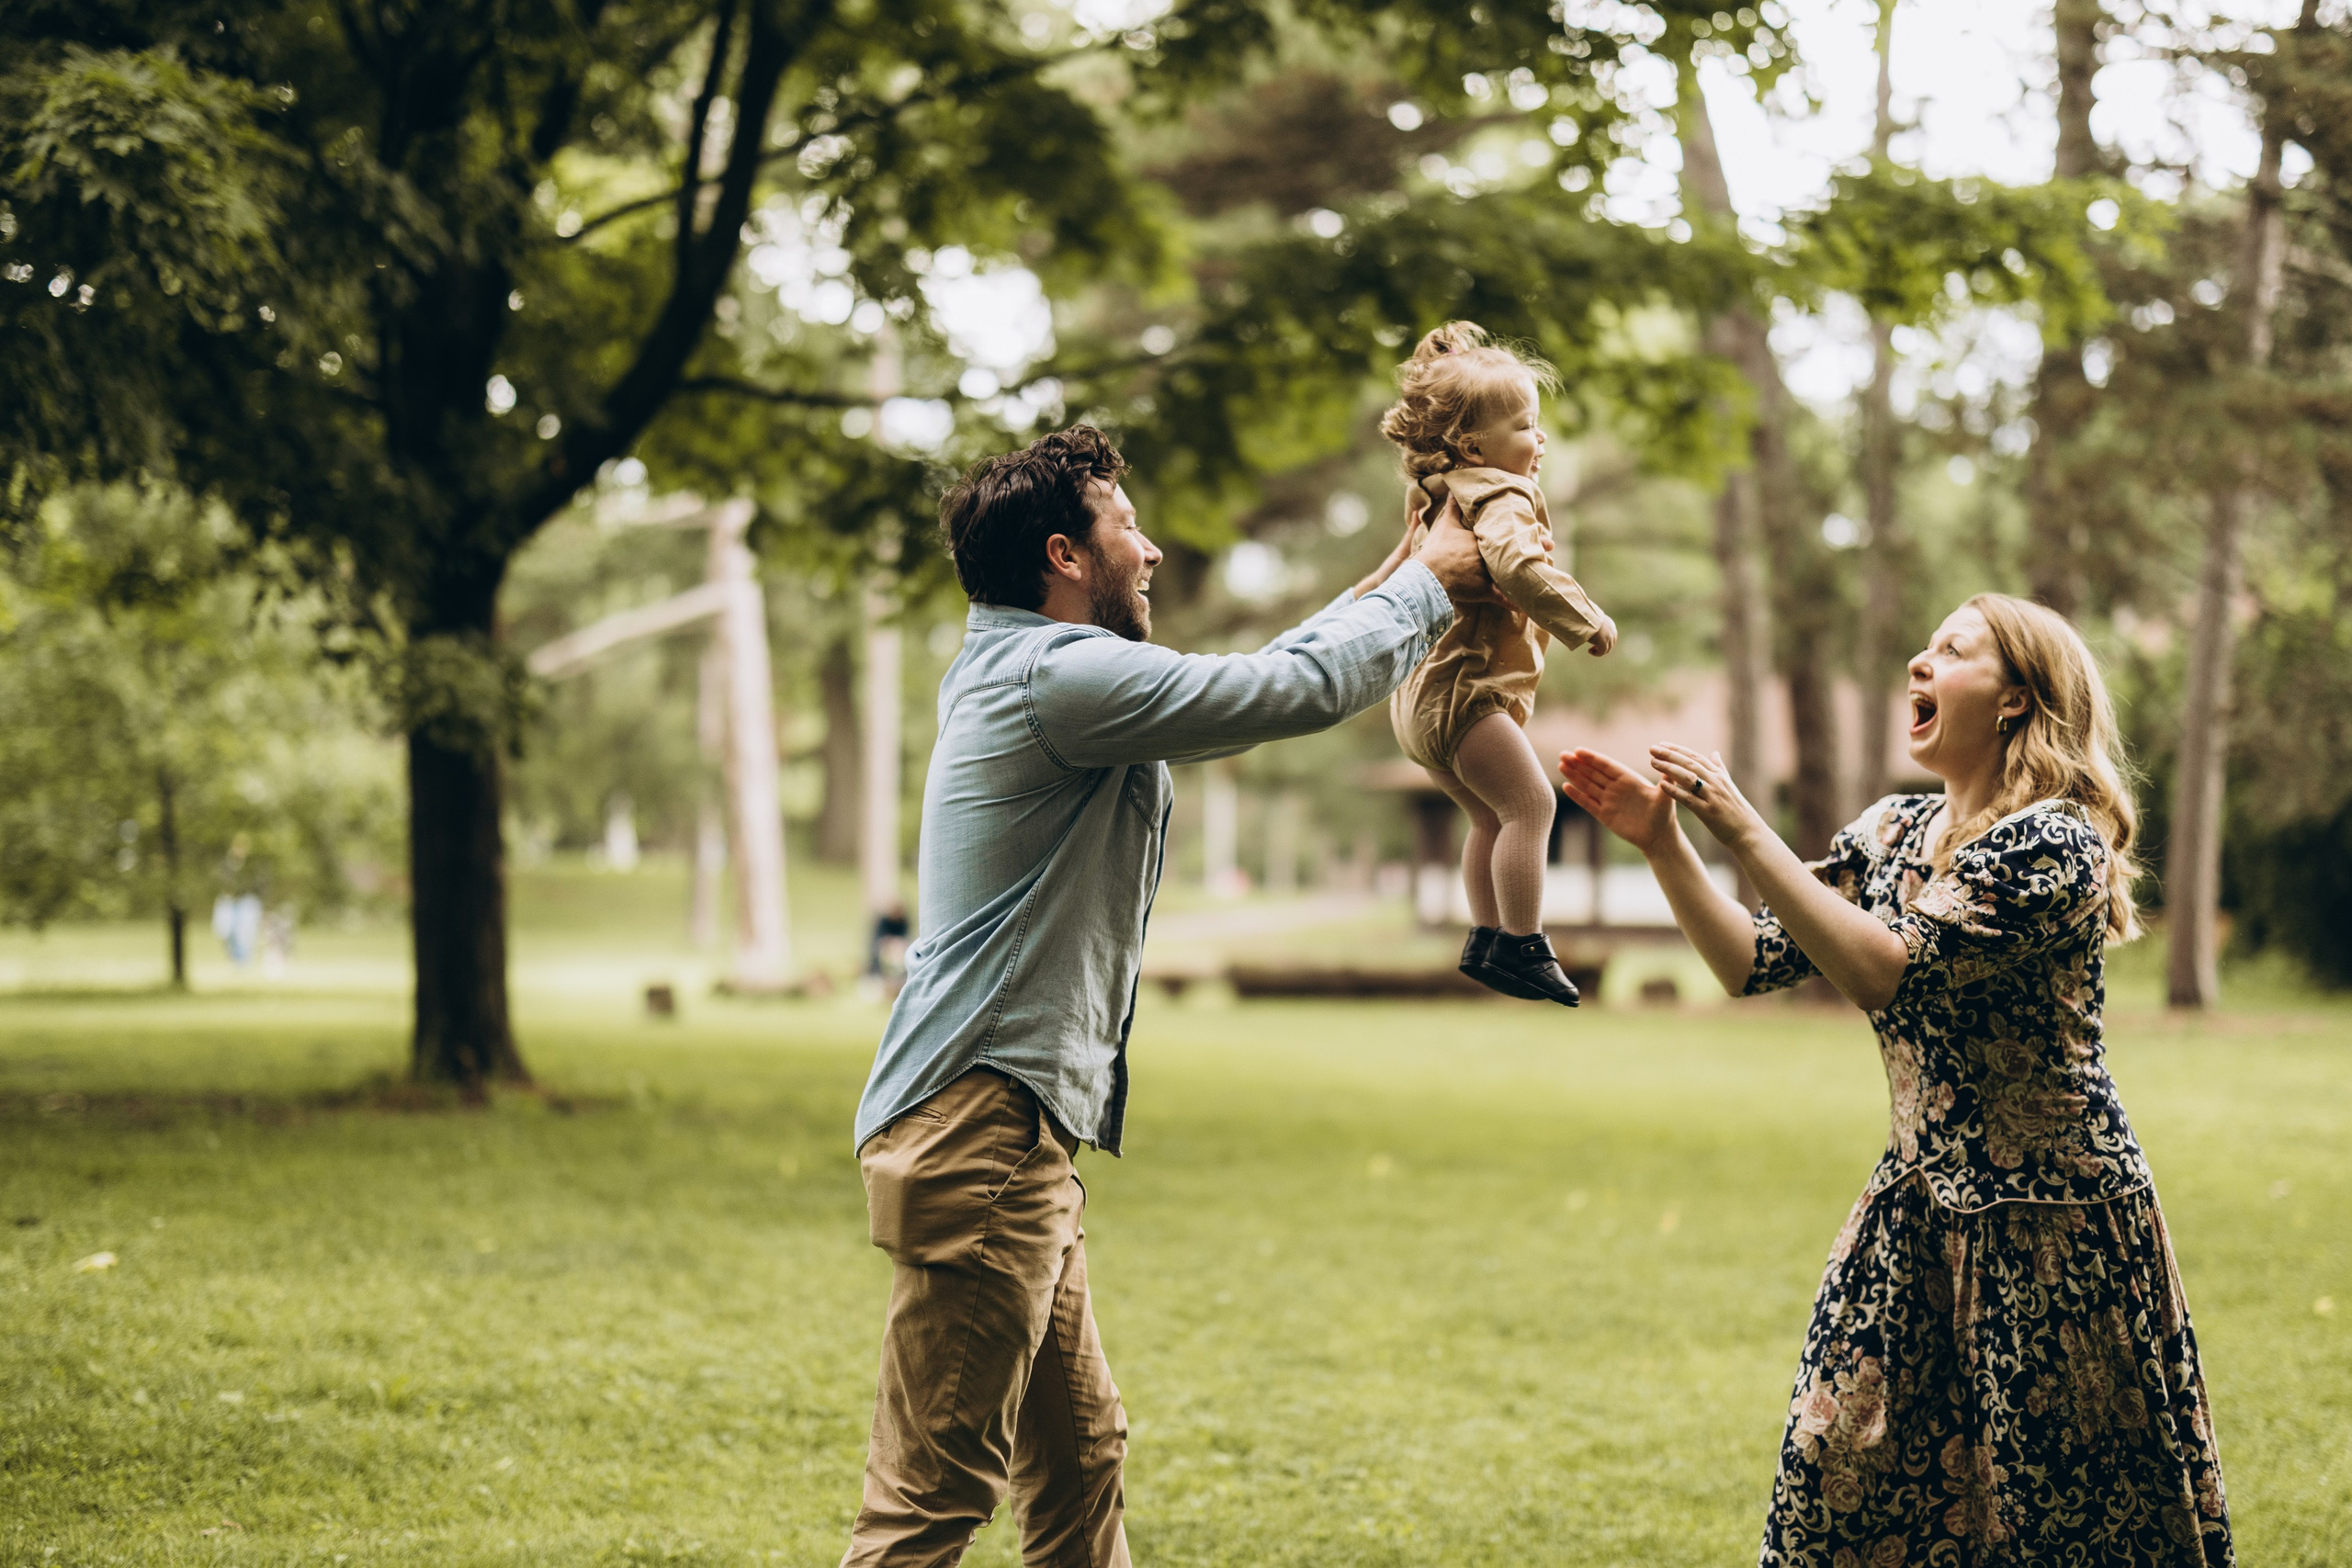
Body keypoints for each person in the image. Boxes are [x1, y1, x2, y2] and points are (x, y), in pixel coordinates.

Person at [838, 423, 1493, 1567]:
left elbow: (1286, 660)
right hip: (981, 1139)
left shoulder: (1025, 666)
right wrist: (1433, 587)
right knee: (928, 1503)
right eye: (1125, 529)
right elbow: (1279, 689)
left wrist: (1413, 560)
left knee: (1081, 1456)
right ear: (1065, 557)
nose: (1148, 552)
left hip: (1009, 1136)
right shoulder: (1056, 676)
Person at [1559, 593, 2231, 1567]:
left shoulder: (2055, 843)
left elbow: (1885, 965)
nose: (1918, 664)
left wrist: (1744, 829)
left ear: (2014, 700)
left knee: (2059, 1515)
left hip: (2052, 1229)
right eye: (1920, 648)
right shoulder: (1889, 832)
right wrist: (1665, 843)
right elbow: (1751, 961)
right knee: (1840, 1484)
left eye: (1951, 651)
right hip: (1914, 1216)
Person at [1378, 321, 1616, 1005]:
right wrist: (1585, 619)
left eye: (1537, 425)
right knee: (1532, 803)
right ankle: (1521, 940)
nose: (1538, 440)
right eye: (1524, 426)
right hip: (1465, 694)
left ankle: (1484, 938)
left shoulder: (1435, 490)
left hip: (1417, 703)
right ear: (1473, 444)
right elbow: (1518, 566)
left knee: (1489, 817)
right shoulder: (1501, 494)